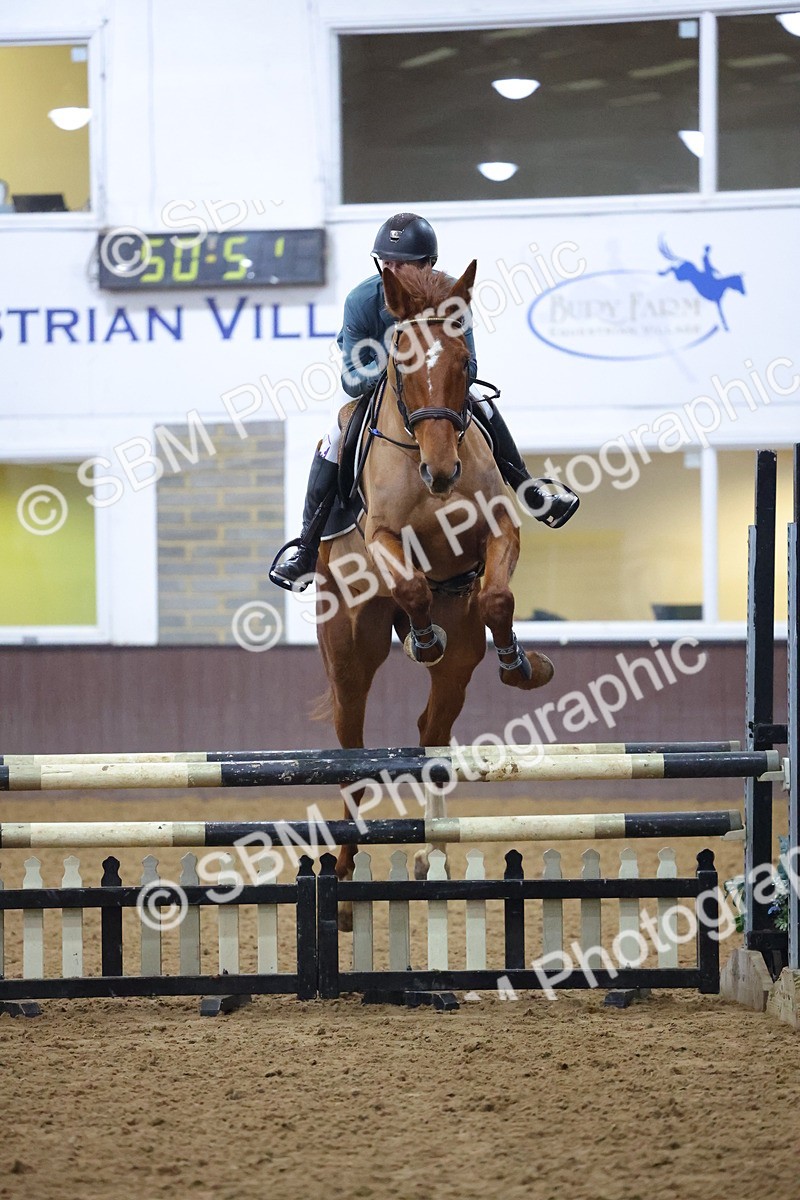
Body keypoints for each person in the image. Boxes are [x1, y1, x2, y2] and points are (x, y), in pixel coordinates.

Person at [269, 212, 578, 591]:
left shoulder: (451, 293)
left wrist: (429, 371)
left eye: (403, 262)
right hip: (375, 389)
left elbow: (471, 364)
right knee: (335, 436)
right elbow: (351, 379)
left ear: (428, 264)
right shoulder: (362, 300)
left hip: (436, 390)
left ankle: (529, 489)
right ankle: (306, 545)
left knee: (483, 401)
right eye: (386, 261)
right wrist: (401, 368)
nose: (393, 269)